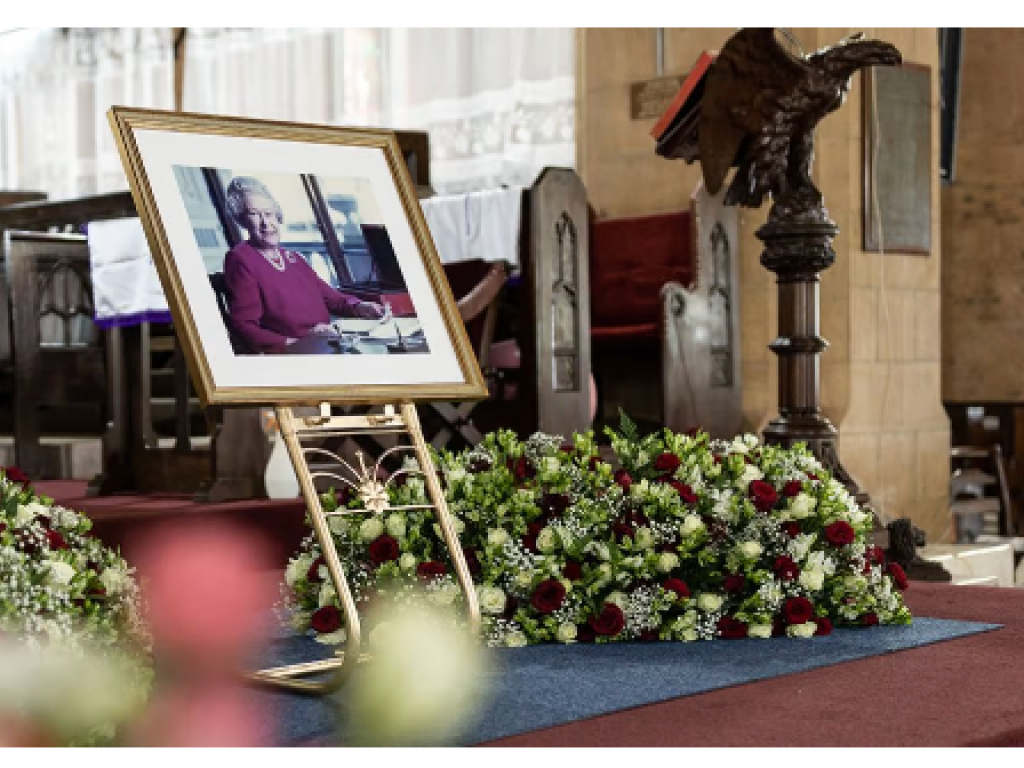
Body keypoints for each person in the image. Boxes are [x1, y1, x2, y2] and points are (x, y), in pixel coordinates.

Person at [221, 176, 384, 353]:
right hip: (293, 354)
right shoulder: (240, 259)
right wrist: (299, 343)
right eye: (253, 214)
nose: (266, 223)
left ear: (278, 216)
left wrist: (361, 307)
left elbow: (333, 299)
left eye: (268, 214)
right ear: (242, 220)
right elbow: (244, 327)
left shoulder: (294, 258)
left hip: (327, 345)